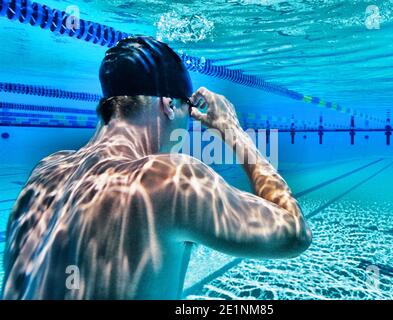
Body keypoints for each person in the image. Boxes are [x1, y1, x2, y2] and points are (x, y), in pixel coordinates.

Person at [1, 37, 312, 300]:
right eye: (187, 111)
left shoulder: (45, 172)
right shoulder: (169, 179)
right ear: (167, 105)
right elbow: (295, 233)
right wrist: (233, 131)